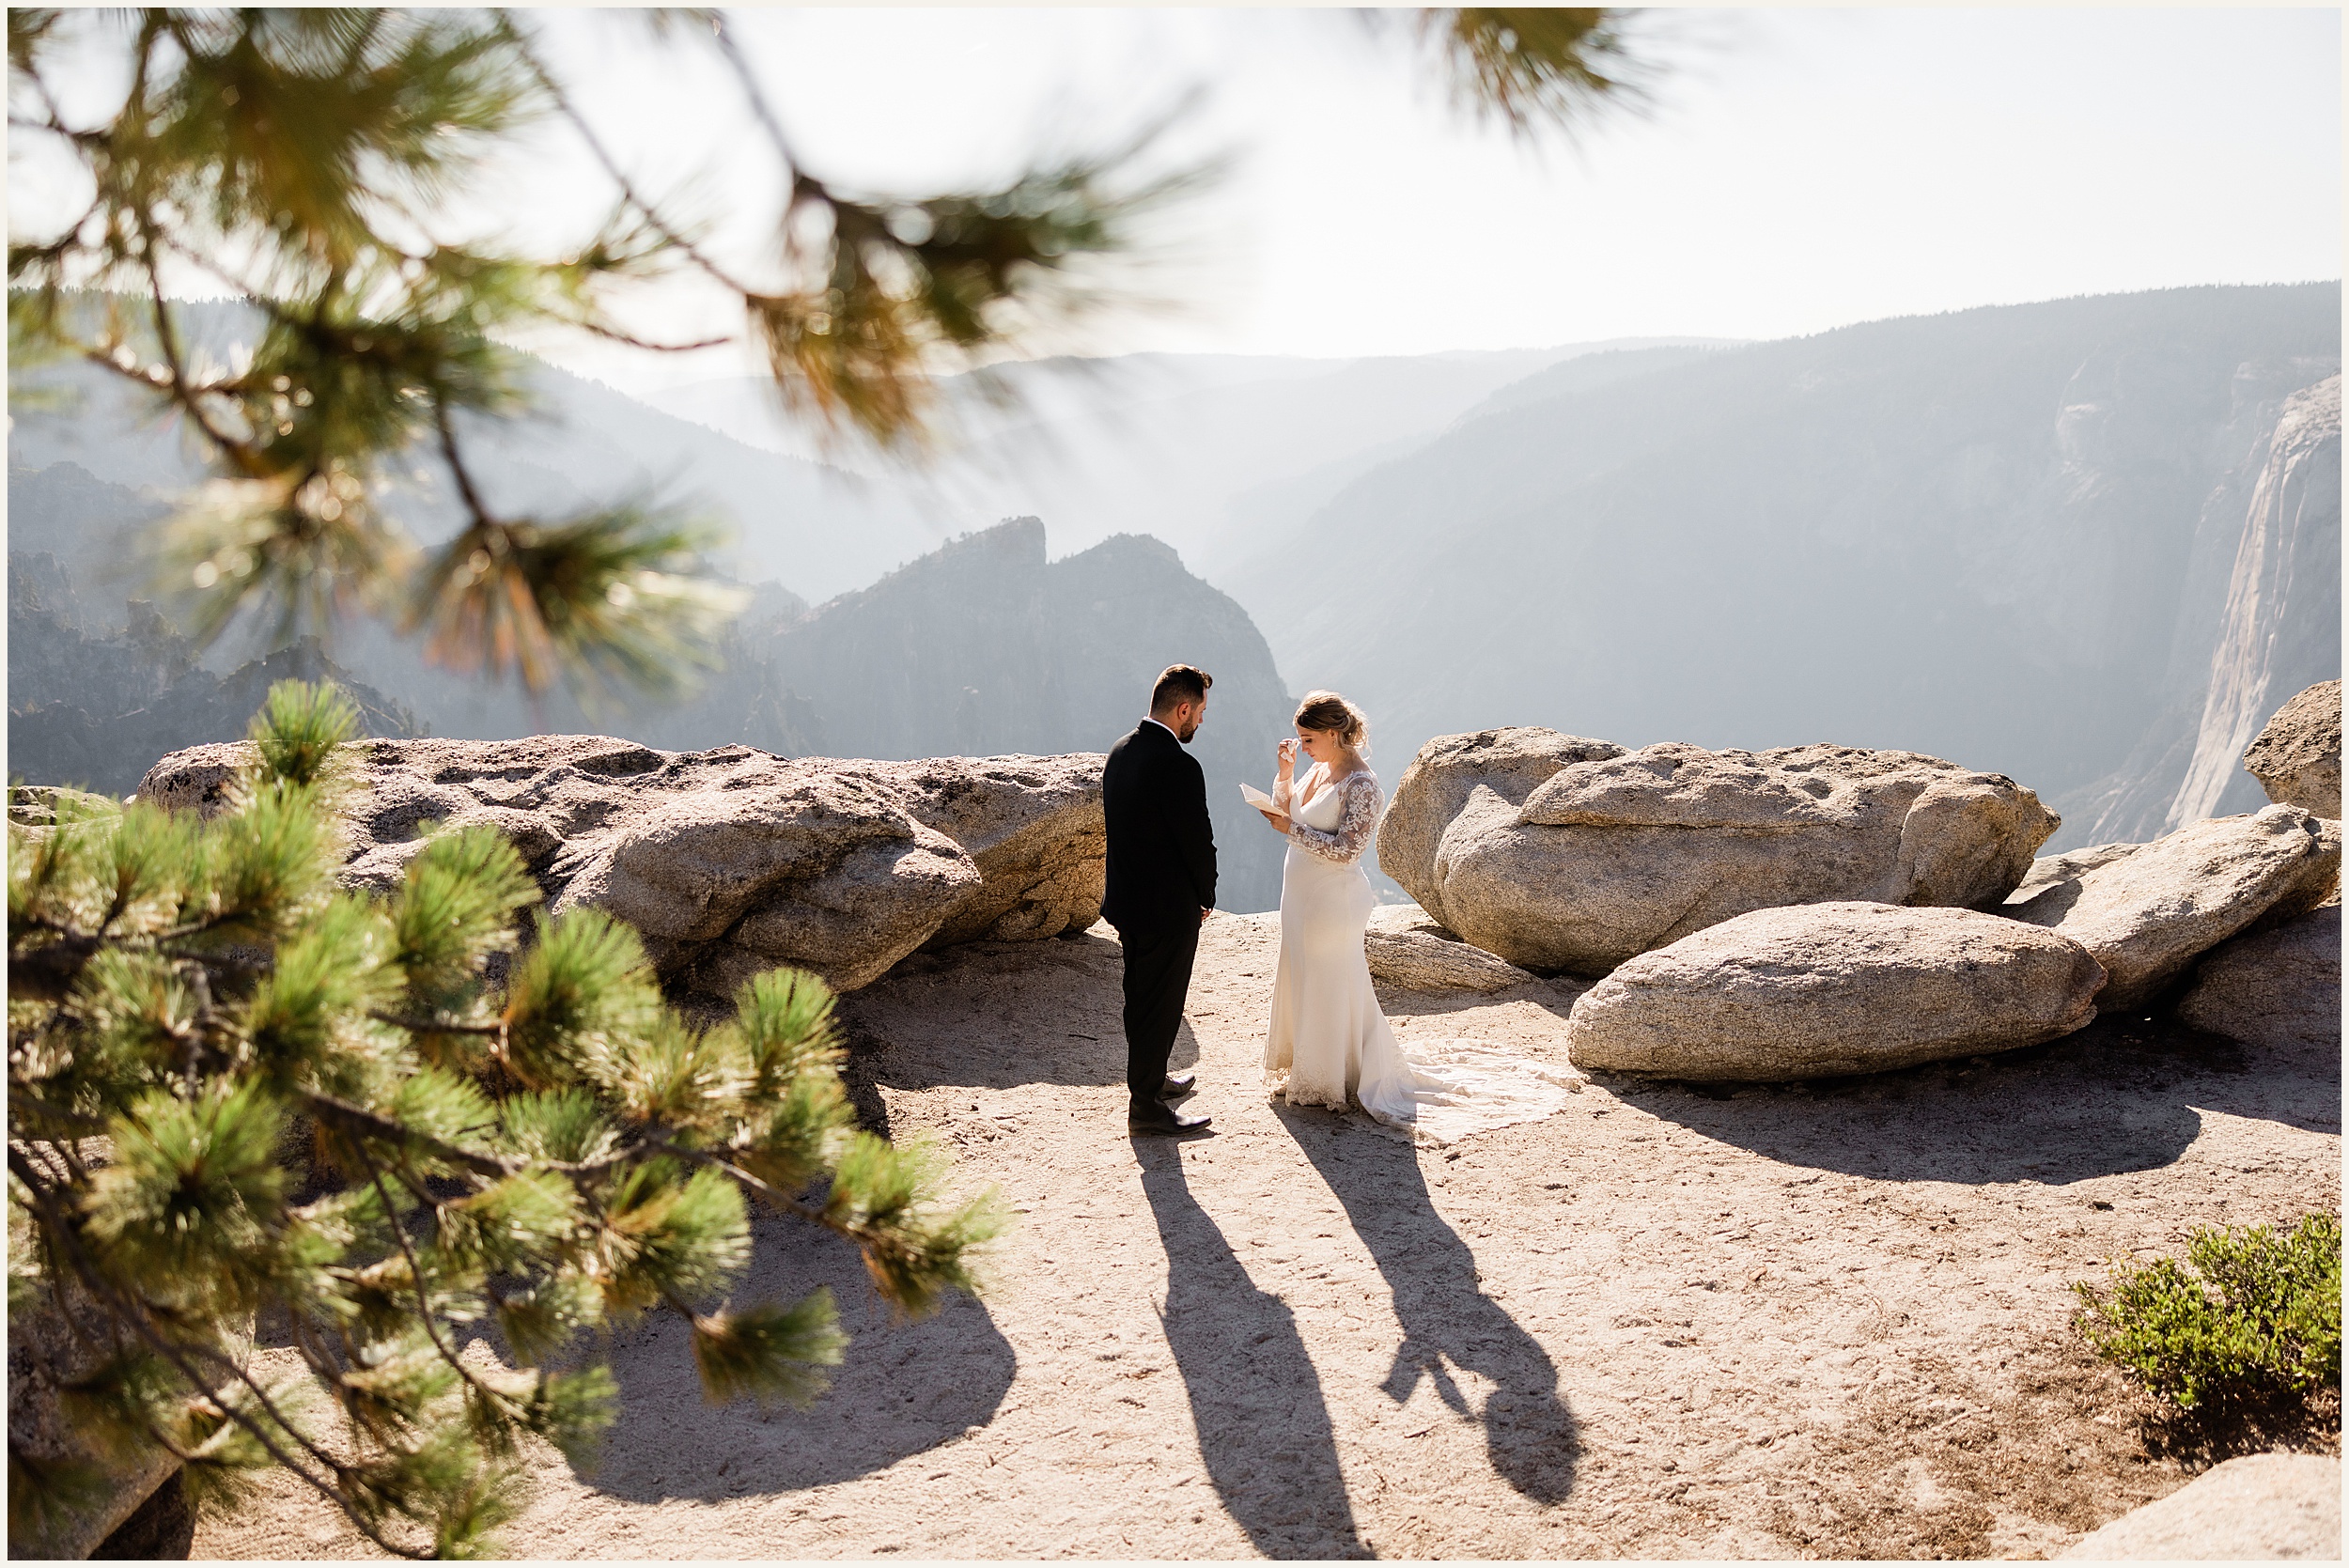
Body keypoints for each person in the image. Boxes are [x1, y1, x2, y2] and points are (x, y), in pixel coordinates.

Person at [1255, 691, 1574, 1142]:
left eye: (1308, 739)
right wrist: (1285, 775)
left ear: (1332, 733)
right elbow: (1287, 812)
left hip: (1333, 897)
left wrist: (1292, 830)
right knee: (1304, 972)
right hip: (1300, 892)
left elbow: (1348, 850)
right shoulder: (1318, 768)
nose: (1302, 745)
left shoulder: (1362, 785)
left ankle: (1331, 1077)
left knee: (1331, 978)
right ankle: (1313, 1066)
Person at [1101, 664, 1218, 1136]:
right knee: (1163, 1002)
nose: (1201, 723)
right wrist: (1206, 895)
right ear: (1183, 708)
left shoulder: (1120, 751)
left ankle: (1151, 1079)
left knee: (1140, 998)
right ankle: (1145, 1105)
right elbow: (1197, 841)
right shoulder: (1179, 765)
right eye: (1201, 713)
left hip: (1129, 902)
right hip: (1168, 908)